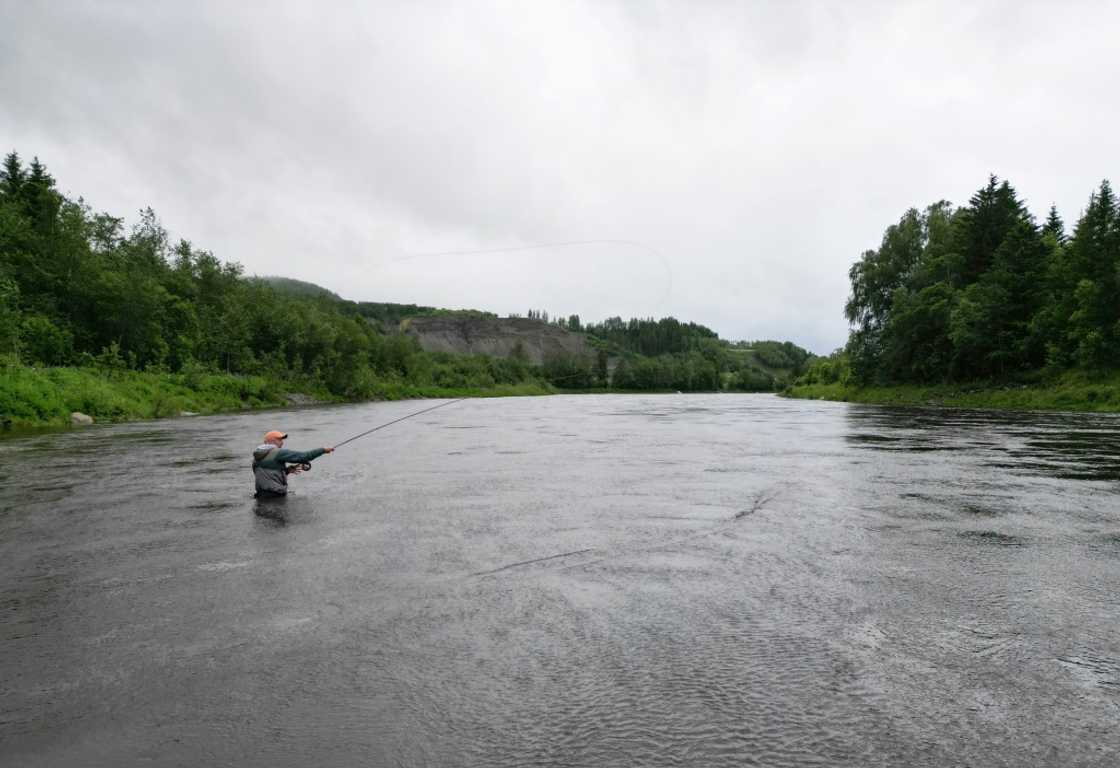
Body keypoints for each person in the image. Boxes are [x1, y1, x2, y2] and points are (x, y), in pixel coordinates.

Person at [251, 430, 333, 498]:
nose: (282, 443)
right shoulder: (277, 453)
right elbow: (304, 457)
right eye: (279, 440)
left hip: (261, 495)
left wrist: (287, 471)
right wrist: (323, 450)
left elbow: (266, 473)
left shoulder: (258, 455)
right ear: (272, 441)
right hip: (275, 495)